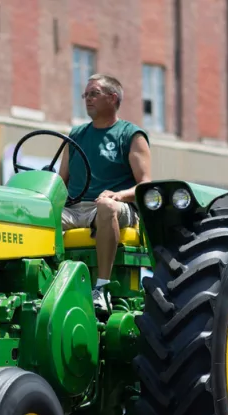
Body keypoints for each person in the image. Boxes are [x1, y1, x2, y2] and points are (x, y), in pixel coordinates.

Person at [58, 73, 152, 311]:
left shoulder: (131, 135)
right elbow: (61, 181)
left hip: (120, 208)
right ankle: (50, 282)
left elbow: (146, 186)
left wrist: (118, 195)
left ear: (112, 98)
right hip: (75, 209)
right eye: (85, 94)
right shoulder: (76, 135)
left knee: (106, 206)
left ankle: (101, 287)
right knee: (38, 218)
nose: (87, 99)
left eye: (94, 94)